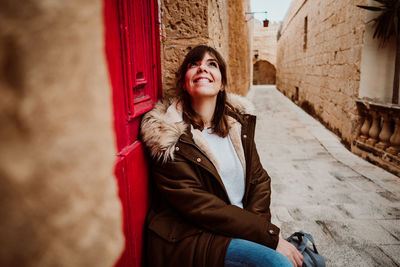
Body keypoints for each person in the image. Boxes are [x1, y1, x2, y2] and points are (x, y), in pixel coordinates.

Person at [141, 45, 303, 267]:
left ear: (222, 83)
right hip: (192, 236)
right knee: (279, 264)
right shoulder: (167, 136)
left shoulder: (237, 127)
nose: (202, 69)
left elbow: (259, 181)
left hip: (237, 228)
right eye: (194, 65)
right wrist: (267, 236)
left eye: (212, 64)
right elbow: (203, 208)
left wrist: (260, 234)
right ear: (184, 83)